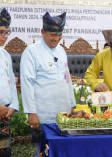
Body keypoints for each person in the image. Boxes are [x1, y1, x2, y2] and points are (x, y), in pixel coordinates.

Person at [20, 12, 76, 157]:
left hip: (63, 116)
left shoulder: (61, 51)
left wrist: (72, 105)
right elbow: (27, 84)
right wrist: (31, 113)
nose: (56, 38)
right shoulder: (31, 52)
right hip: (43, 116)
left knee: (64, 151)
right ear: (42, 32)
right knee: (43, 152)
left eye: (60, 34)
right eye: (52, 35)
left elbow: (67, 79)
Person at [0, 8, 19, 157]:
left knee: (4, 150)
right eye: (1, 31)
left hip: (5, 114)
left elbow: (12, 82)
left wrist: (13, 106)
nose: (4, 36)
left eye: (7, 32)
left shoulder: (5, 55)